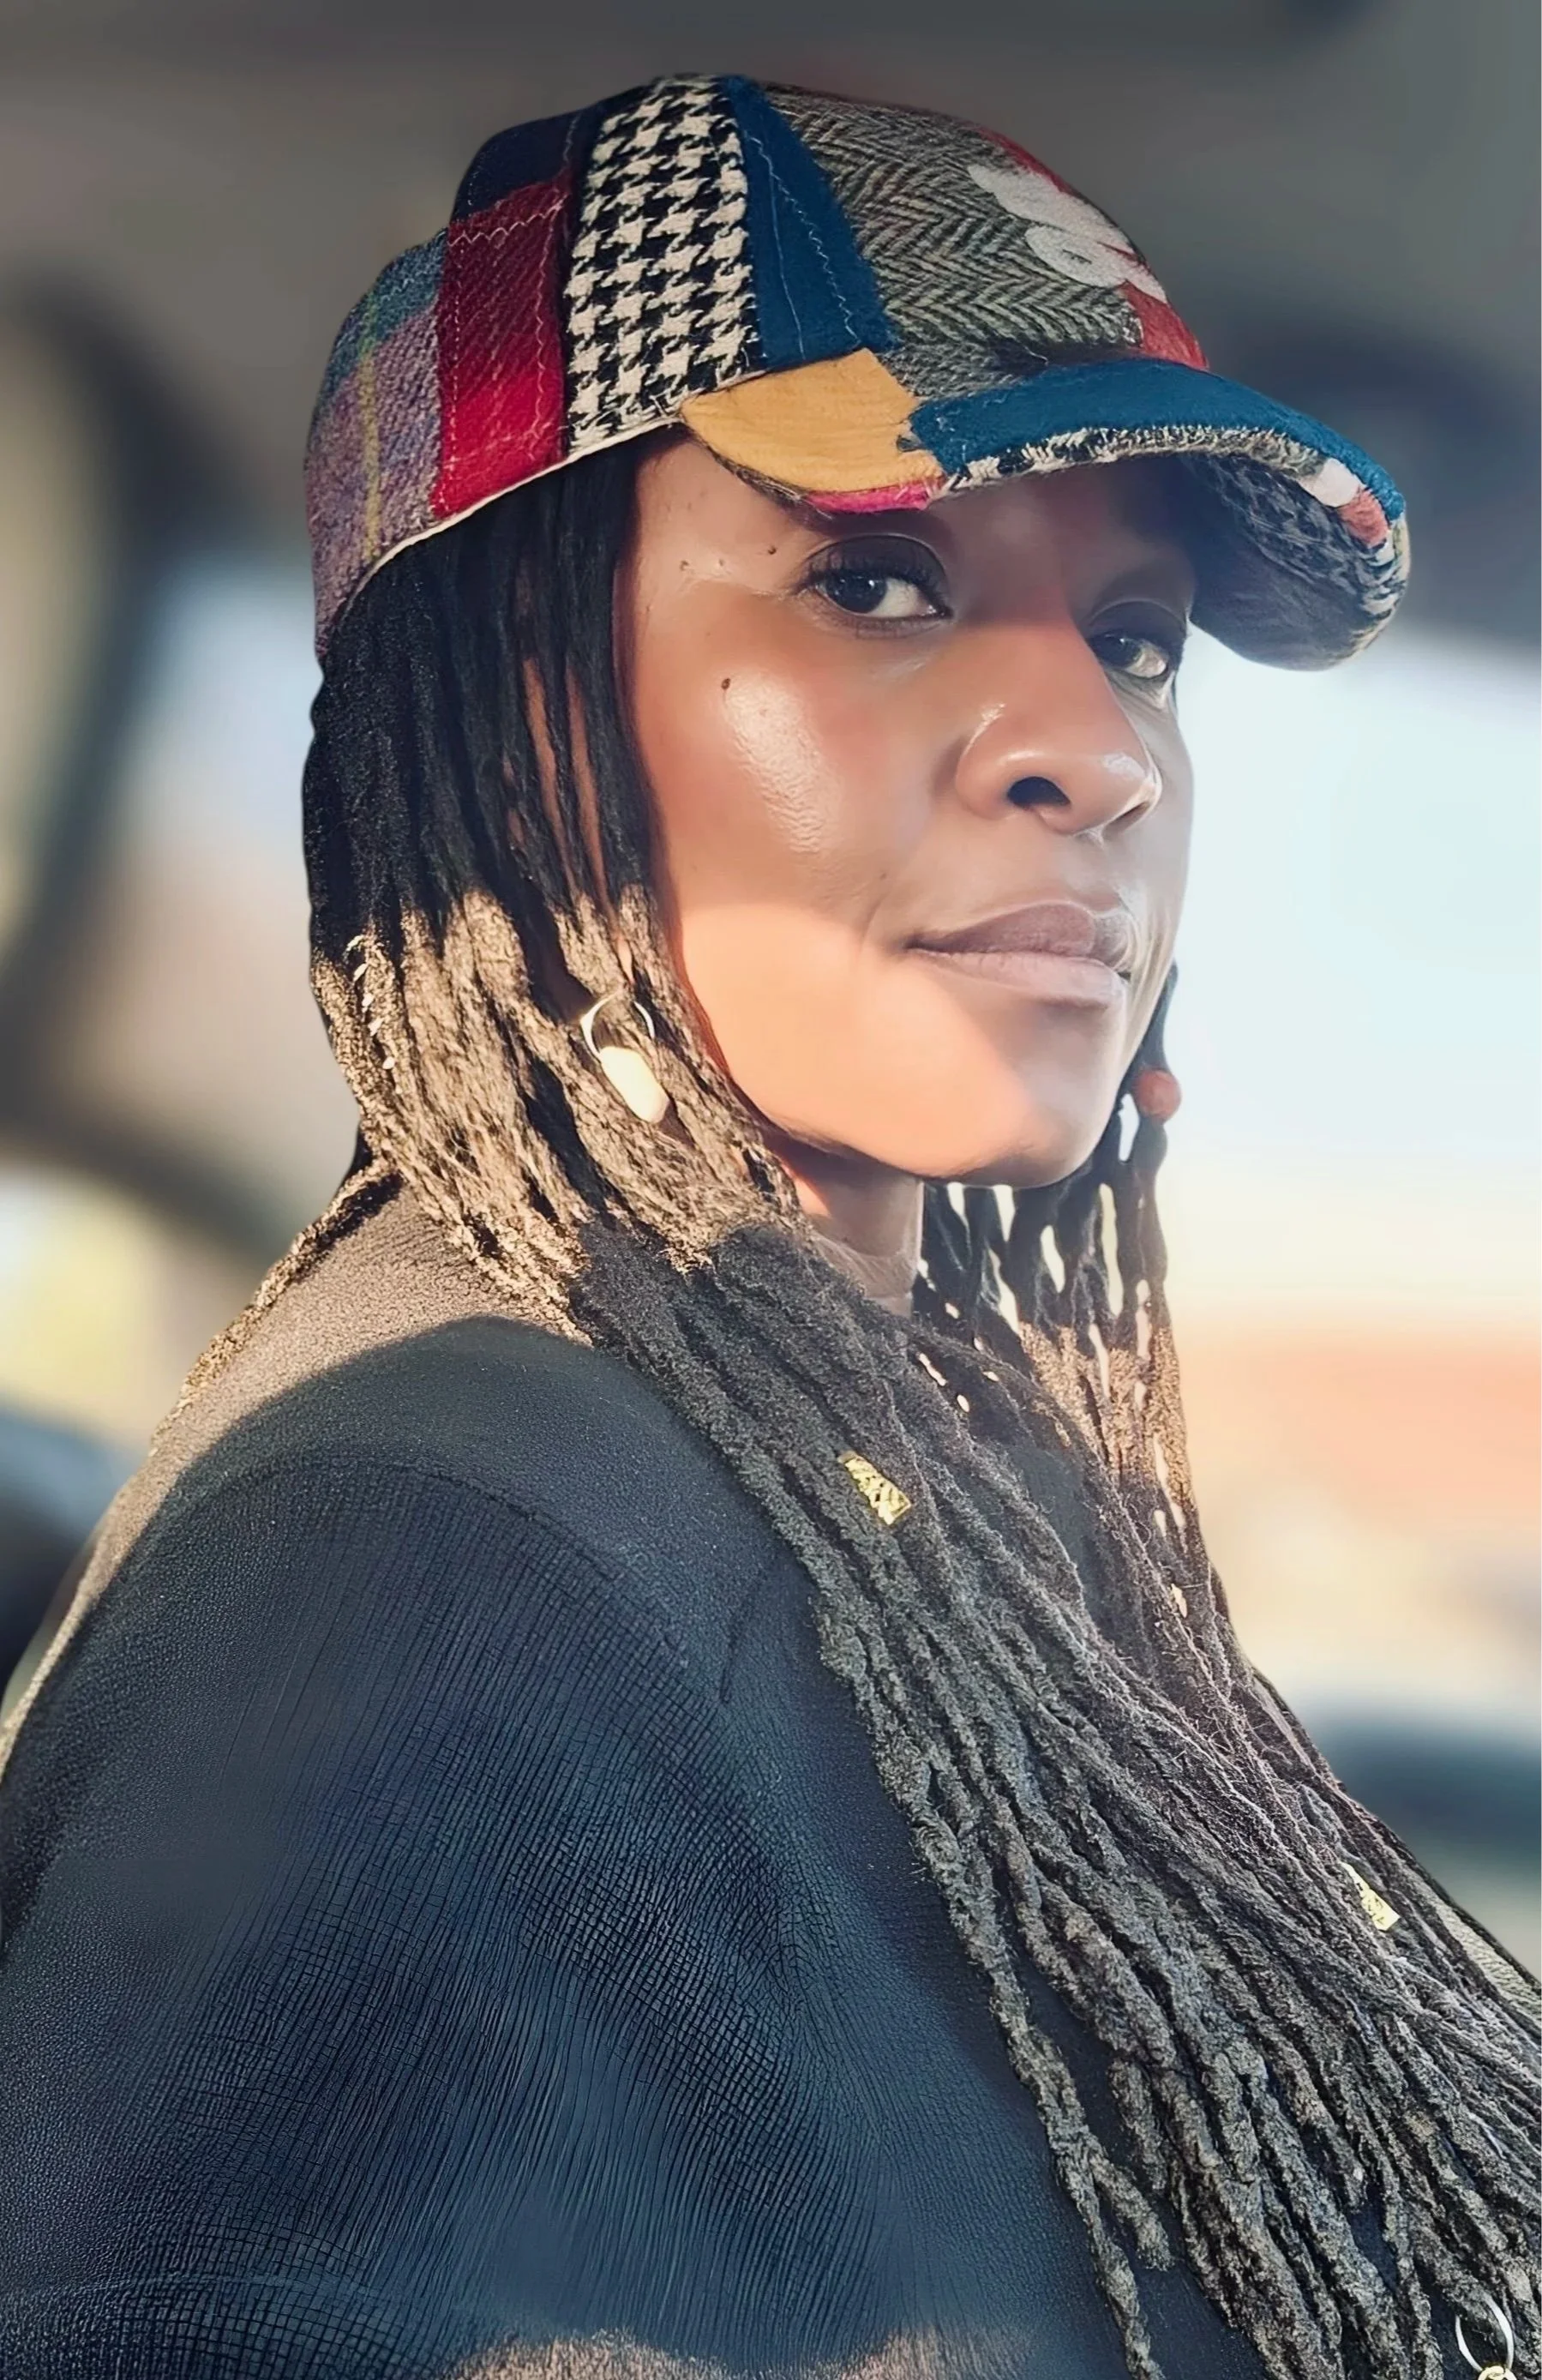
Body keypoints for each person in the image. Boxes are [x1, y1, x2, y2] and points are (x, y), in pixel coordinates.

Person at [0, 75, 1534, 2380]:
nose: (1103, 749)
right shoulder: (430, 1564)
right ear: (504, 710)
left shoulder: (906, 1475)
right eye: (877, 580)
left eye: (1137, 636)